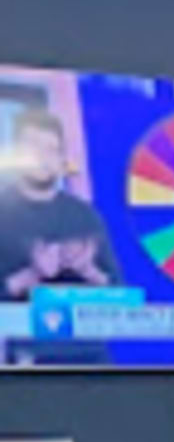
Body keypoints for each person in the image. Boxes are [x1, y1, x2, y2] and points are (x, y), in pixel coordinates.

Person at [0, 109, 109, 300]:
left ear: (61, 160)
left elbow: (122, 294)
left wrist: (89, 271)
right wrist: (32, 274)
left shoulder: (84, 215)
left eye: (51, 150)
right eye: (32, 148)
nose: (42, 158)